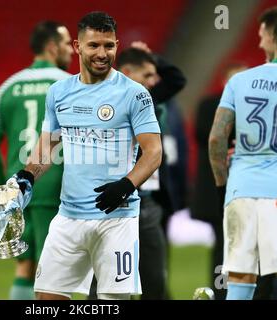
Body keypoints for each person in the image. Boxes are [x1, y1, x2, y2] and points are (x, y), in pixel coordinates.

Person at [12, 11, 162, 300]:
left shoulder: (135, 94)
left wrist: (126, 185)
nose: (102, 53)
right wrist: (27, 175)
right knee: (46, 299)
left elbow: (154, 152)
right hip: (68, 217)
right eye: (94, 45)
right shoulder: (58, 92)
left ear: (117, 44)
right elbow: (47, 146)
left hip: (117, 219)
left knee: (112, 302)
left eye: (109, 45)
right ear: (78, 47)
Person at [0, 21, 73, 300]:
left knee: (25, 264)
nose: (72, 51)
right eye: (68, 44)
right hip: (56, 184)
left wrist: (5, 188)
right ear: (52, 47)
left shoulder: (8, 86)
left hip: (18, 188)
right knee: (55, 270)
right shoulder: (69, 84)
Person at [87, 44, 186, 300]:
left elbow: (177, 79)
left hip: (147, 205)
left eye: (154, 76)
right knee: (106, 285)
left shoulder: (147, 99)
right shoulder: (101, 99)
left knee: (155, 283)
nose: (154, 82)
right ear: (128, 72)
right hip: (111, 205)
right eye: (147, 76)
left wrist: (152, 57)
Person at [208, 19, 277, 300]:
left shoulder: (239, 81)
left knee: (240, 273)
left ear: (273, 37)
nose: (259, 42)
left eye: (262, 35)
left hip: (241, 188)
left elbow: (216, 139)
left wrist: (223, 185)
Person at [191, 62, 247, 300]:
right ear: (226, 81)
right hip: (216, 190)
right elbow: (206, 133)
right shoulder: (209, 105)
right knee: (223, 246)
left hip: (243, 189)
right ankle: (221, 290)